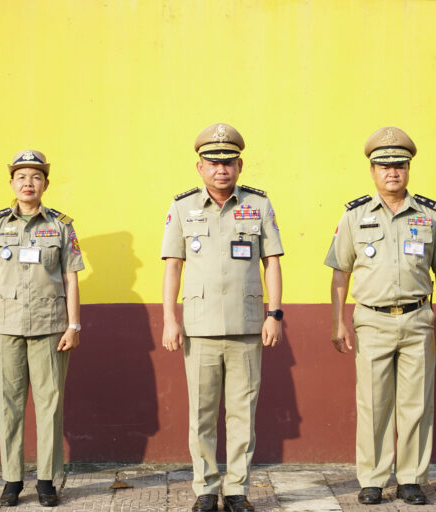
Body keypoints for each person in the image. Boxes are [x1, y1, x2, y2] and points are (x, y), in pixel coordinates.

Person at [324, 126, 436, 505]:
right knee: (373, 403)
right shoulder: (354, 216)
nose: (392, 172)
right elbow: (340, 272)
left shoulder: (429, 215)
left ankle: (411, 478)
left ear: (408, 169)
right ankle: (372, 478)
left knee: (416, 404)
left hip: (418, 319)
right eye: (384, 166)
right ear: (372, 171)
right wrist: (338, 321)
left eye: (399, 165)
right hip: (372, 320)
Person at [161, 123, 284, 512]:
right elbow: (173, 266)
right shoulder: (183, 208)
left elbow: (272, 262)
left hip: (247, 327)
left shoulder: (259, 205)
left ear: (239, 165)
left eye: (228, 162)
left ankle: (237, 490)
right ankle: (205, 489)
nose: (221, 169)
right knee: (201, 414)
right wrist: (170, 319)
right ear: (200, 167)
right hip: (199, 328)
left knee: (242, 414)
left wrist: (274, 314)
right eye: (213, 163)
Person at [0, 150, 84, 507]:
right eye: (21, 177)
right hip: (5, 328)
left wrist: (73, 325)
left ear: (45, 184)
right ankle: (12, 480)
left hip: (50, 328)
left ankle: (47, 480)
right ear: (11, 183)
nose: (28, 183)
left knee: (50, 405)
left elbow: (71, 277)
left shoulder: (61, 225)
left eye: (35, 177)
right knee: (9, 405)